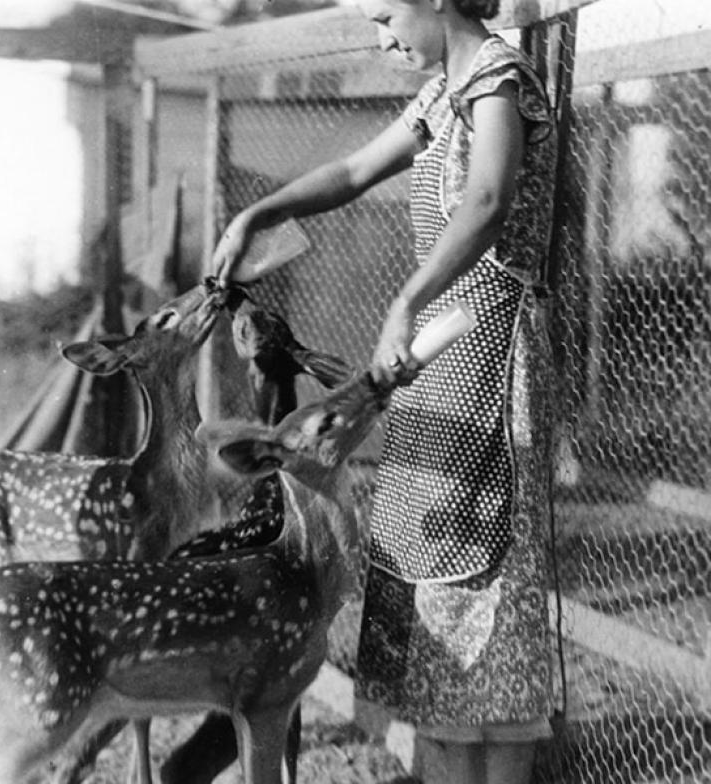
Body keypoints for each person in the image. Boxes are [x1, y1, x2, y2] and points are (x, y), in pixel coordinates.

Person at [214, 0, 557, 781]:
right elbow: (354, 171)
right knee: (431, 582)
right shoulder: (445, 91)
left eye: (384, 14)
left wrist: (406, 299)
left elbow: (489, 202)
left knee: (487, 594)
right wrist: (259, 212)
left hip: (490, 361)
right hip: (438, 365)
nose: (382, 37)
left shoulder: (497, 78)